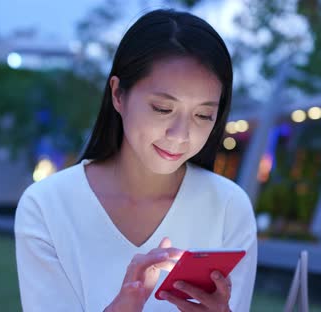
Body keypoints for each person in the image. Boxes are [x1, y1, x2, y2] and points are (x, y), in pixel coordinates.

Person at [14, 8, 258, 312]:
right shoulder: (47, 206)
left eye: (203, 115)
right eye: (162, 108)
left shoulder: (228, 207)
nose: (181, 134)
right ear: (118, 95)